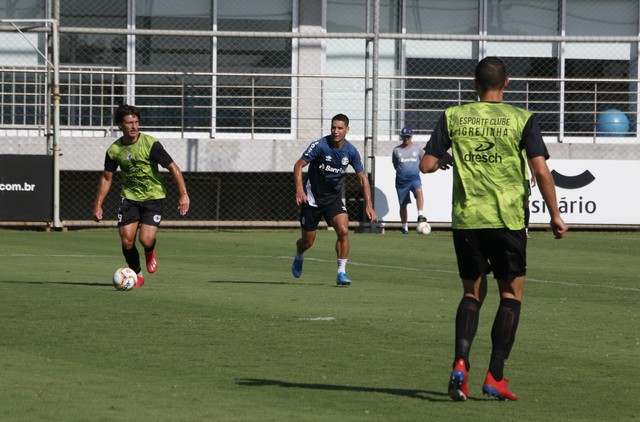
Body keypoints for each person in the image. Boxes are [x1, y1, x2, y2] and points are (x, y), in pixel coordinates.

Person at [419, 57, 568, 401]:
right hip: (507, 221)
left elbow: (426, 164)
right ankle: (495, 376)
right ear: (508, 83)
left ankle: (460, 363)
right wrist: (555, 215)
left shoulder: (453, 116)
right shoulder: (522, 118)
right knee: (510, 296)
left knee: (472, 294)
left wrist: (447, 159)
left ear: (474, 84)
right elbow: (541, 171)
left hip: (467, 220)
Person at [92, 104, 190, 288]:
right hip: (129, 198)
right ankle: (137, 274)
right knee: (127, 240)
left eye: (136, 122)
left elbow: (173, 168)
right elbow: (107, 178)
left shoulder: (150, 144)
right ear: (120, 125)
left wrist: (183, 195)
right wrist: (98, 204)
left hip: (153, 197)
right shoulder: (114, 150)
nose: (134, 126)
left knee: (145, 239)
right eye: (129, 123)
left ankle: (150, 250)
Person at [291, 113, 377, 286]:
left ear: (347, 129)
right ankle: (299, 254)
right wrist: (300, 189)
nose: (336, 131)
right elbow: (299, 165)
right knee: (307, 242)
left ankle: (341, 273)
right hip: (312, 199)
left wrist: (369, 204)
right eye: (333, 127)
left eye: (339, 128)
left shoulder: (351, 151)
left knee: (344, 231)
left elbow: (362, 178)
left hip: (333, 199)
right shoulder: (320, 145)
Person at [392, 125, 428, 234]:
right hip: (401, 180)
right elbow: (395, 164)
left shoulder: (417, 148)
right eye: (404, 136)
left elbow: (423, 161)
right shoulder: (396, 150)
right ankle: (404, 227)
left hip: (414, 178)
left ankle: (420, 214)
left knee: (419, 191)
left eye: (408, 136)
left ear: (411, 137)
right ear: (401, 137)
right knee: (403, 204)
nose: (406, 138)